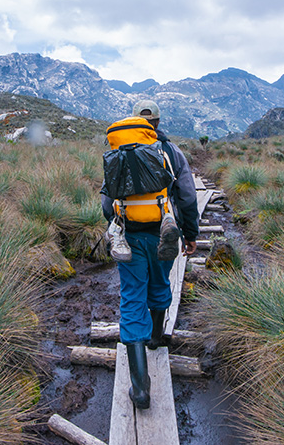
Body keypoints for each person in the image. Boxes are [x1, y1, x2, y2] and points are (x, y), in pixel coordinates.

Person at [101, 99, 199, 410]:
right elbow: (187, 195)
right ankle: (156, 338)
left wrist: (118, 222)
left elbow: (106, 201)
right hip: (163, 231)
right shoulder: (170, 151)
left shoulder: (119, 151)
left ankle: (140, 387)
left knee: (132, 297)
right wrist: (191, 234)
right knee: (160, 282)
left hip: (130, 236)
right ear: (156, 122)